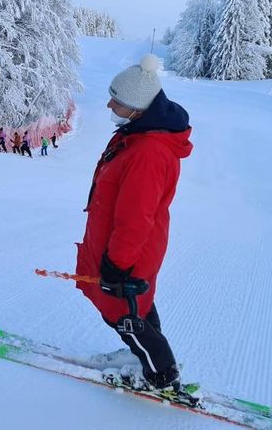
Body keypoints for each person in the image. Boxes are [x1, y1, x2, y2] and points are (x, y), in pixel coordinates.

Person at [74, 53, 192, 394]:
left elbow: (136, 218)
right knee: (135, 307)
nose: (109, 103)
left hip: (129, 251)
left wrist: (116, 265)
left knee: (122, 315)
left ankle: (161, 376)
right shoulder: (139, 135)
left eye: (118, 100)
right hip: (125, 246)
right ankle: (143, 357)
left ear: (138, 109)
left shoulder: (148, 152)